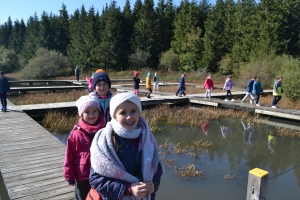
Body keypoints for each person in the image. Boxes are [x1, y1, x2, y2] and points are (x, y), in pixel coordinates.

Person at [90, 92, 164, 200]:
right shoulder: (105, 140)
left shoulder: (147, 136)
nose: (129, 117)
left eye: (133, 111)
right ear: (114, 116)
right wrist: (128, 189)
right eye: (123, 112)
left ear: (139, 113)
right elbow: (95, 179)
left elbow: (156, 165)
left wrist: (154, 184)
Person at [64, 95, 105, 200]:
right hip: (83, 177)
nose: (91, 115)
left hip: (101, 174)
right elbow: (69, 157)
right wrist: (69, 176)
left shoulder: (105, 130)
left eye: (94, 111)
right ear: (81, 114)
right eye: (87, 112)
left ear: (99, 112)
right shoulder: (75, 134)